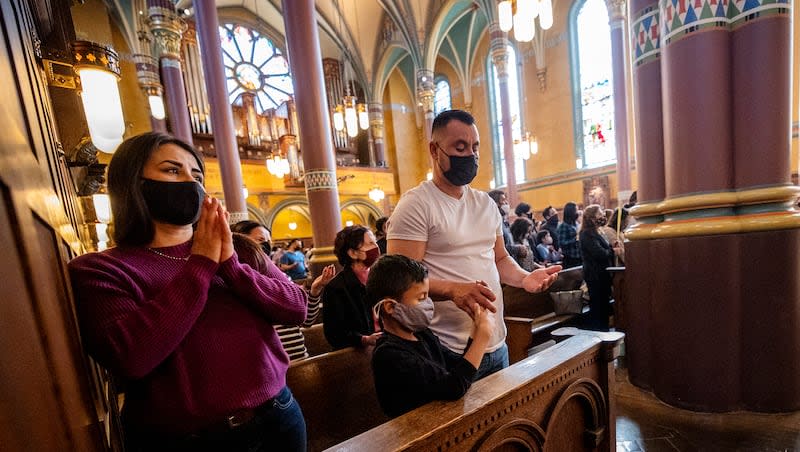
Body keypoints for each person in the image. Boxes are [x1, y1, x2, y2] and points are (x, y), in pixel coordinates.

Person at [68, 132, 308, 451]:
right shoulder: (101, 269)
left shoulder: (239, 251)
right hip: (187, 440)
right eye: (171, 170)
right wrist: (201, 264)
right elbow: (132, 358)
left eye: (196, 175)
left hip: (277, 416)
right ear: (133, 182)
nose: (189, 183)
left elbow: (296, 308)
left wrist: (232, 269)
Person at [387, 109, 561, 380]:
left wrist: (525, 278)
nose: (470, 155)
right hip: (448, 349)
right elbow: (399, 281)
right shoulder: (415, 205)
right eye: (460, 147)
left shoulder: (485, 203)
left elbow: (500, 259)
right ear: (435, 150)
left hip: (496, 341)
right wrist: (453, 290)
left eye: (474, 147)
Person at [368, 255, 493, 417]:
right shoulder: (388, 354)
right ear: (390, 306)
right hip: (415, 434)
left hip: (439, 421)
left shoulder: (422, 334)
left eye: (428, 296)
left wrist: (475, 330)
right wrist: (483, 336)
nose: (428, 304)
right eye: (421, 298)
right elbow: (453, 387)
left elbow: (457, 367)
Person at [232, 232, 336, 361]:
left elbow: (306, 320)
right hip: (271, 367)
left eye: (268, 240)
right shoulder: (236, 288)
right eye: (260, 240)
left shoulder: (283, 279)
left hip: (299, 360)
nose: (265, 245)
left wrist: (315, 289)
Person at [323, 225, 383, 349]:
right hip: (358, 353)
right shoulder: (336, 288)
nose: (376, 247)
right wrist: (364, 339)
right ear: (353, 253)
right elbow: (335, 335)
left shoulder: (381, 277)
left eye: (375, 242)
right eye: (370, 244)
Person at [579, 205, 623, 331]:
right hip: (595, 275)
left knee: (603, 304)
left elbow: (605, 249)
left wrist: (612, 246)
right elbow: (598, 253)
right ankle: (599, 331)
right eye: (600, 214)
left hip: (603, 274)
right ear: (592, 218)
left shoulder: (598, 231)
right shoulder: (586, 234)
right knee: (598, 305)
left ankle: (604, 329)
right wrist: (613, 251)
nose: (603, 216)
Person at [488, 189, 526, 262]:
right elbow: (497, 248)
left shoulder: (503, 221)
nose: (506, 203)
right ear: (495, 203)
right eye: (503, 200)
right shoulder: (492, 221)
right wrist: (517, 248)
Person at [557, 202, 582, 269]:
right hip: (570, 259)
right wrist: (575, 239)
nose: (577, 213)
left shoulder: (576, 224)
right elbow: (562, 243)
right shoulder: (563, 226)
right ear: (571, 212)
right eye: (576, 210)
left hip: (579, 256)